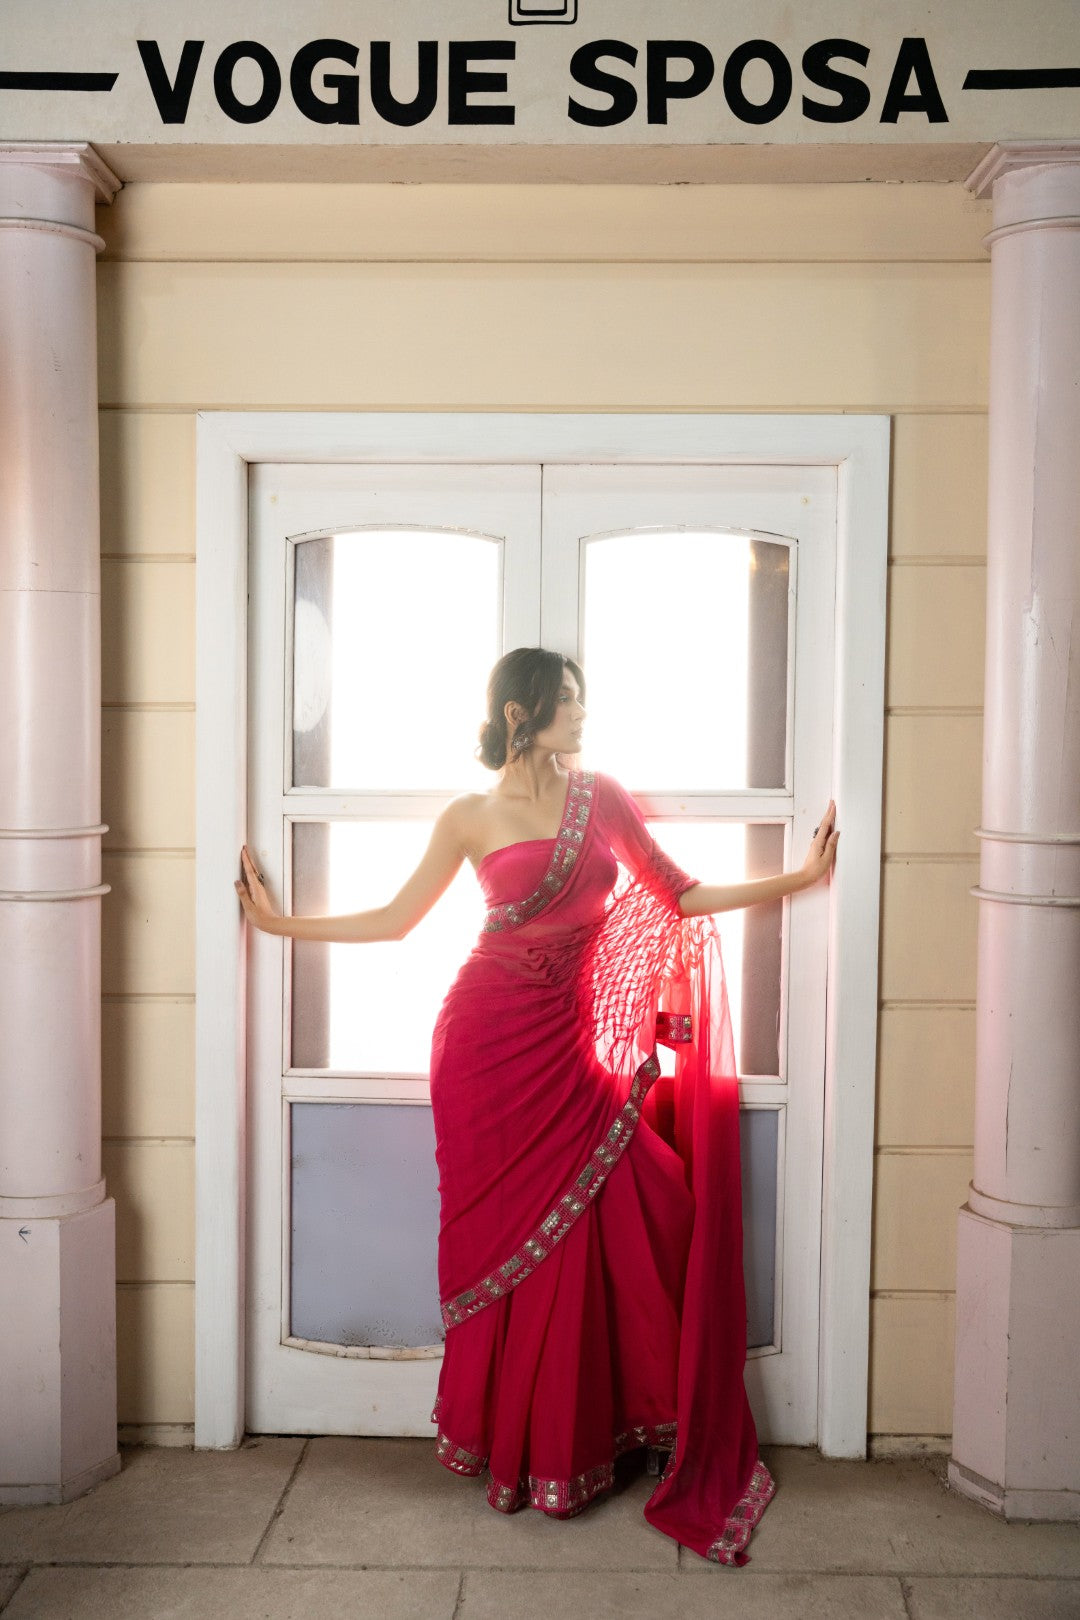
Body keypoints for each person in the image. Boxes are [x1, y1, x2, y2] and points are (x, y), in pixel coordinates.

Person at [236, 646, 838, 1565]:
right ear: (520, 714)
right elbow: (395, 919)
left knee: (652, 1194)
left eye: (582, 699)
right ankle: (519, 1443)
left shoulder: (602, 798)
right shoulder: (469, 816)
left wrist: (798, 879)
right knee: (507, 1239)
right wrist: (279, 924)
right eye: (566, 700)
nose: (582, 715)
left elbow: (680, 893)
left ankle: (611, 1422)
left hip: (564, 1050)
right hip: (482, 1046)